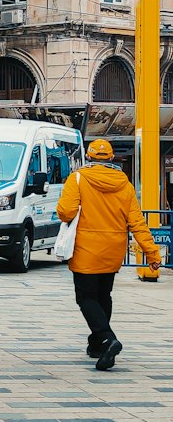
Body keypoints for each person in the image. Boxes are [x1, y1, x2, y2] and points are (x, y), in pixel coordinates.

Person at [56, 138, 162, 370]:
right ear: (112, 159)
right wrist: (152, 254)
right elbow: (137, 222)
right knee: (104, 295)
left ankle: (107, 338)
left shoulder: (78, 179)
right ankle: (96, 344)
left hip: (85, 249)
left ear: (89, 158)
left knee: (86, 297)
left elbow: (65, 212)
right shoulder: (125, 184)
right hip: (113, 250)